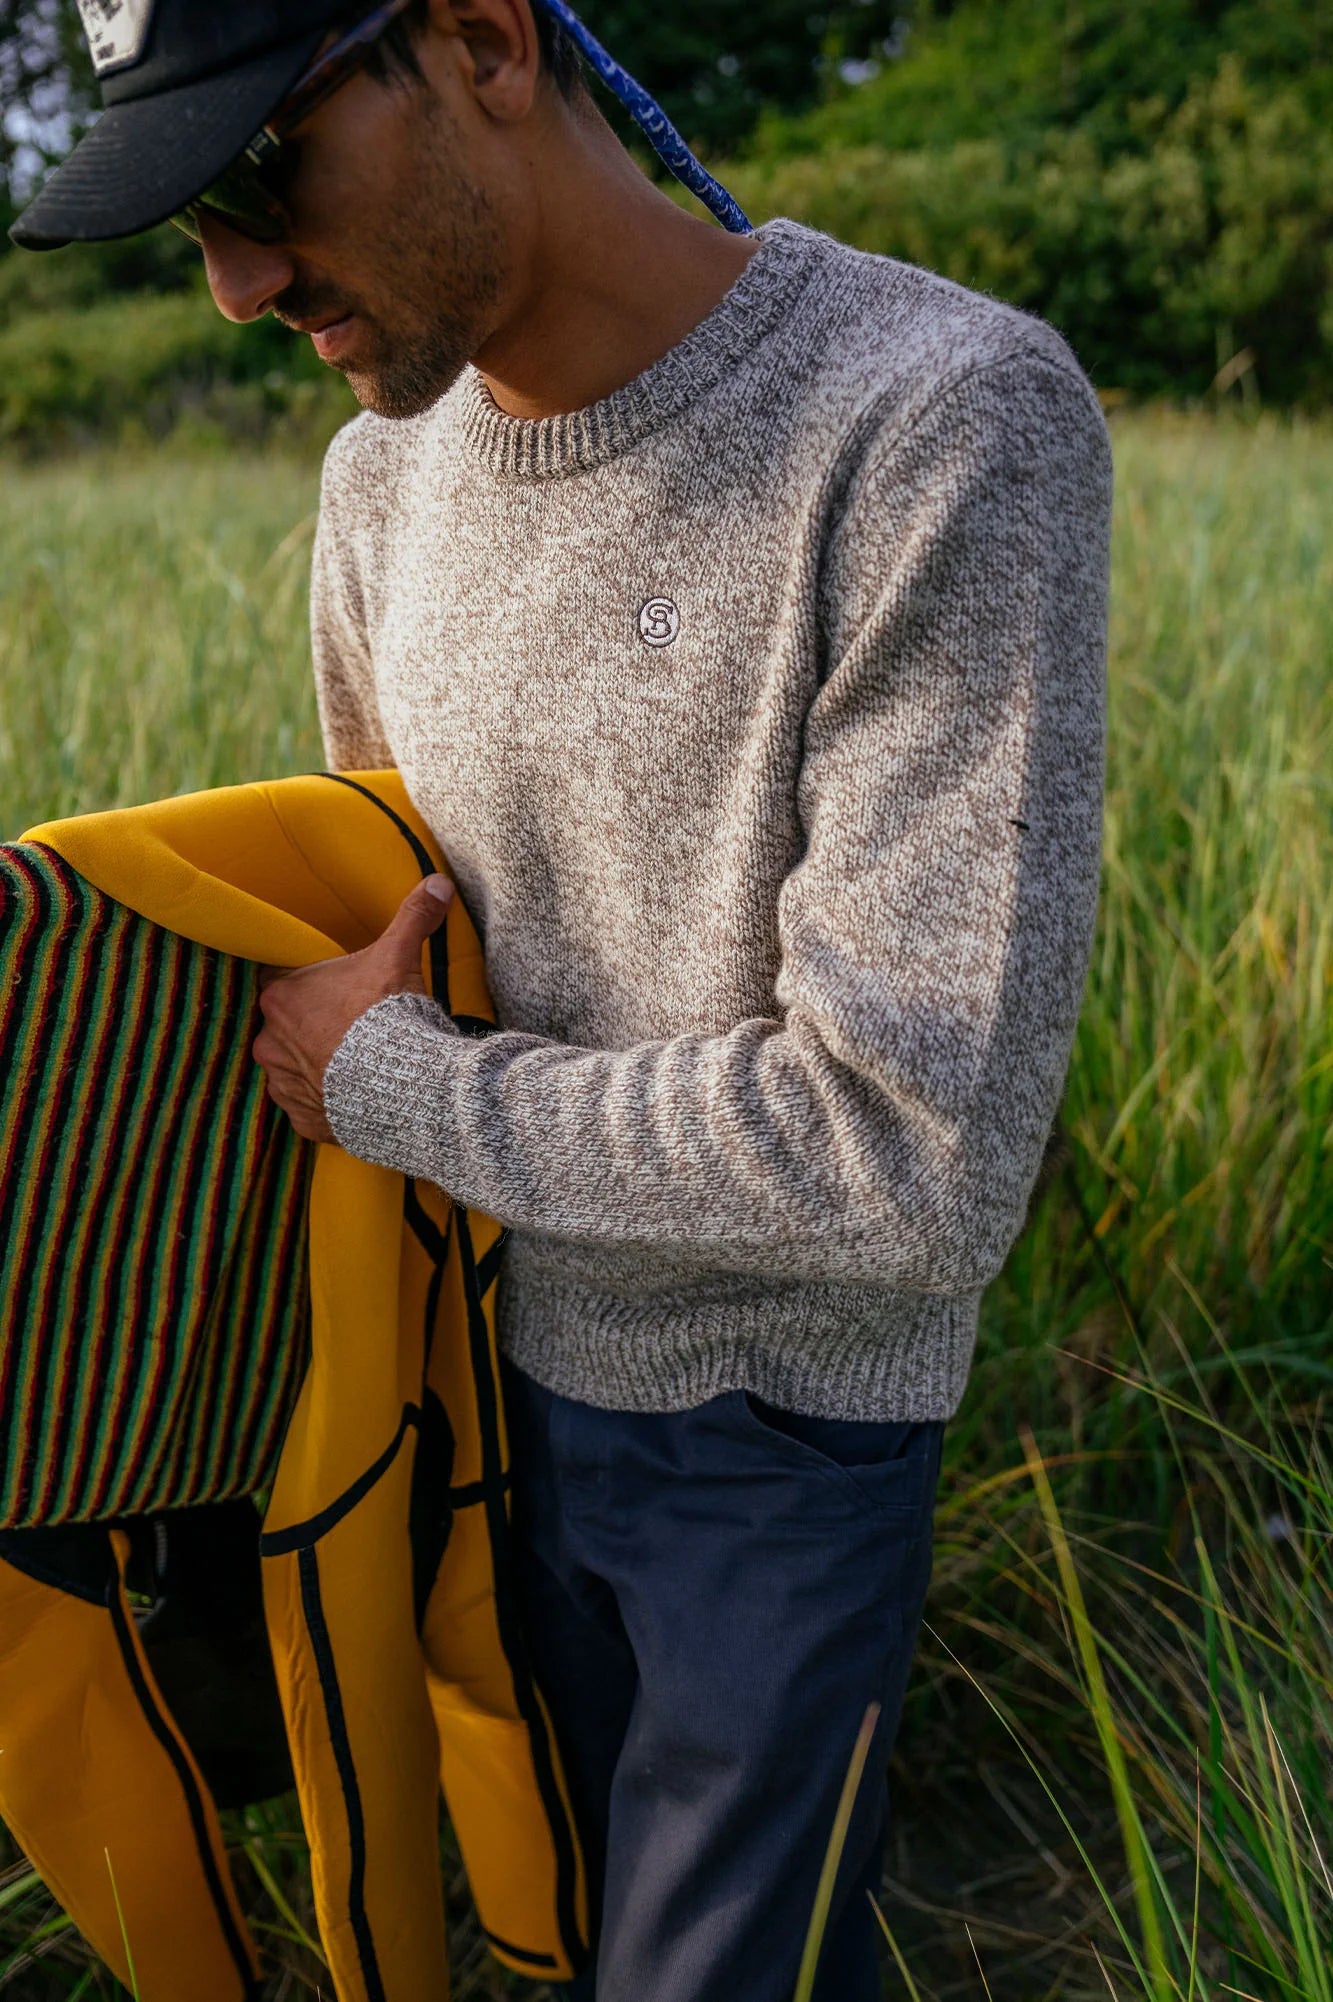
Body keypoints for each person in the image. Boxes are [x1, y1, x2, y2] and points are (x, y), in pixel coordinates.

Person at [11, 2, 1112, 1995]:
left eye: (263, 175)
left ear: (483, 42)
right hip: (453, 1425)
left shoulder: (936, 414)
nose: (239, 281)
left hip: (775, 1450)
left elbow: (916, 1153)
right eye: (190, 223)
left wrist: (407, 1093)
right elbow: (391, 944)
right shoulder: (377, 488)